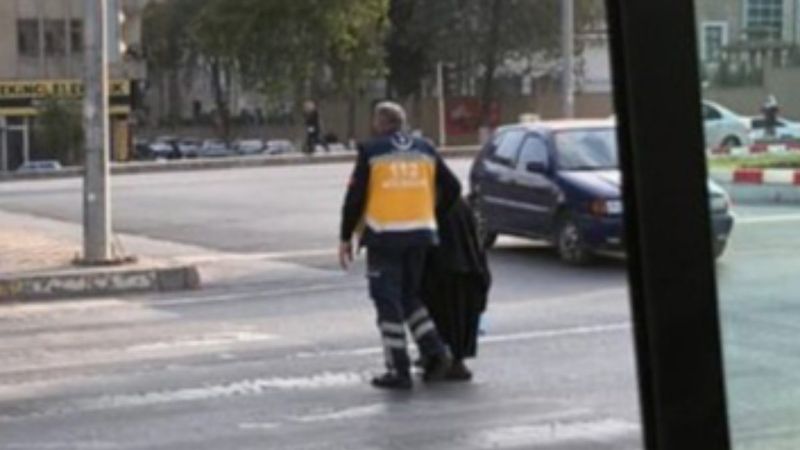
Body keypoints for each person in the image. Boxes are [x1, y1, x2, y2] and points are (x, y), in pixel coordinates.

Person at [339, 101, 462, 390]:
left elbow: (355, 198)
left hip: (385, 236)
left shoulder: (371, 151)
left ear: (380, 123)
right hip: (420, 234)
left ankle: (398, 368)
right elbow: (453, 187)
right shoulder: (426, 148)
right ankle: (435, 352)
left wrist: (345, 236)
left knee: (387, 302)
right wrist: (432, 214)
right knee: (410, 297)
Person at [421, 198, 491, 381]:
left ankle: (440, 357)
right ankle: (454, 359)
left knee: (440, 316)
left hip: (441, 270)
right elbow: (476, 244)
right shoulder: (460, 205)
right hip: (468, 269)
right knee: (459, 319)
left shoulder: (433, 205)